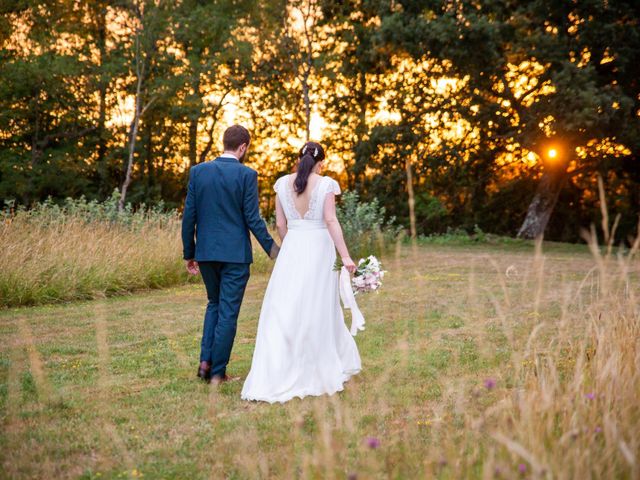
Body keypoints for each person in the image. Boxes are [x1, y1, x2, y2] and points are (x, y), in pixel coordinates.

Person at [241, 141, 362, 403]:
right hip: (319, 248)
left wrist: (290, 246)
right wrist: (346, 255)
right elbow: (330, 221)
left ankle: (279, 365)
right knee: (318, 305)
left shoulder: (282, 183)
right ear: (322, 162)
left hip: (292, 249)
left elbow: (281, 225)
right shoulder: (326, 184)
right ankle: (315, 363)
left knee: (284, 306)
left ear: (299, 159)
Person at [181, 124, 279, 385]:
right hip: (235, 256)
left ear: (224, 142)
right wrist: (274, 251)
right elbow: (252, 218)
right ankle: (217, 373)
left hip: (206, 254)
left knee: (214, 303)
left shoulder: (198, 172)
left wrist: (189, 253)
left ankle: (205, 362)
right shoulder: (246, 175)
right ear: (243, 146)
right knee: (227, 312)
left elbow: (188, 216)